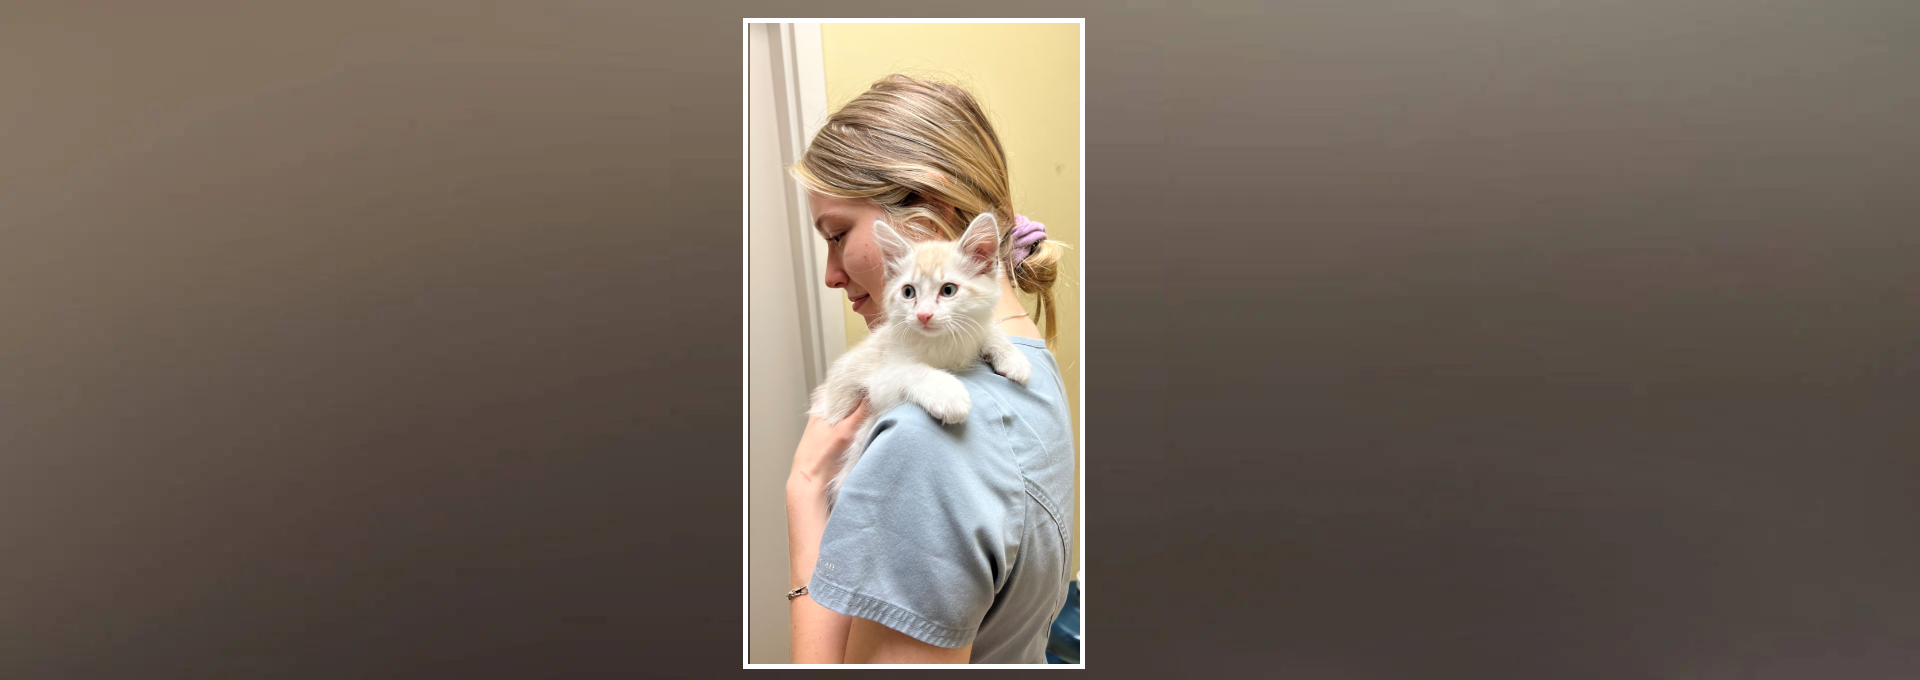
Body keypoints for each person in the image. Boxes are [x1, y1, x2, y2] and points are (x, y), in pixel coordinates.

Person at [783, 74, 1076, 664]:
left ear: (934, 209)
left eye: (838, 235)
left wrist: (806, 492)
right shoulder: (1033, 370)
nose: (831, 275)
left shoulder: (927, 444)